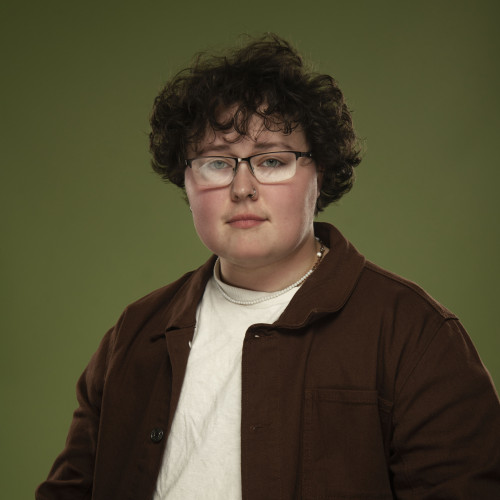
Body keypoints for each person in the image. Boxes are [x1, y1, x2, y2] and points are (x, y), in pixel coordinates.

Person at [36, 34, 500, 500]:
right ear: (187, 183)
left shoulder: (414, 333)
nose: (243, 187)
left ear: (320, 173)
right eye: (217, 163)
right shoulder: (135, 332)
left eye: (273, 160)